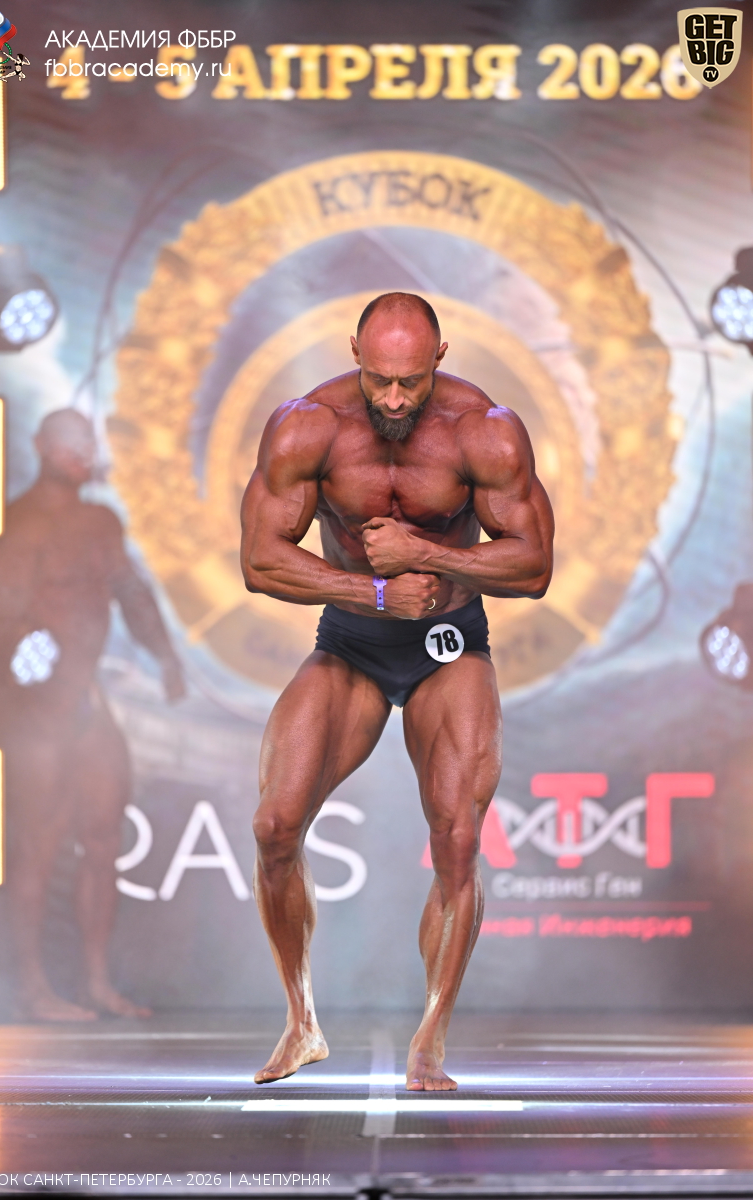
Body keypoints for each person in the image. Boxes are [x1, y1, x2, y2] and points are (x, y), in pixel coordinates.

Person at [241, 292, 554, 1091]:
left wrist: (429, 554)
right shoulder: (308, 426)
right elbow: (261, 561)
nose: (391, 398)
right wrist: (374, 592)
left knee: (457, 839)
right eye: (379, 378)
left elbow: (533, 565)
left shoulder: (484, 430)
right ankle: (301, 1022)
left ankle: (430, 1040)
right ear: (354, 352)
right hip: (352, 643)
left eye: (409, 382)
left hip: (449, 646)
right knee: (275, 827)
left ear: (439, 359)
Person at [0, 409, 185, 1021]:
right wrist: (36, 675)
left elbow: (132, 593)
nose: (81, 453)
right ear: (42, 446)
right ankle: (32, 987)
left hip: (86, 699)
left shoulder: (100, 522)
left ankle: (95, 981)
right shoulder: (18, 525)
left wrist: (166, 656)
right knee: (37, 843)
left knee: (102, 836)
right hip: (37, 706)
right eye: (69, 443)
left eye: (87, 442)